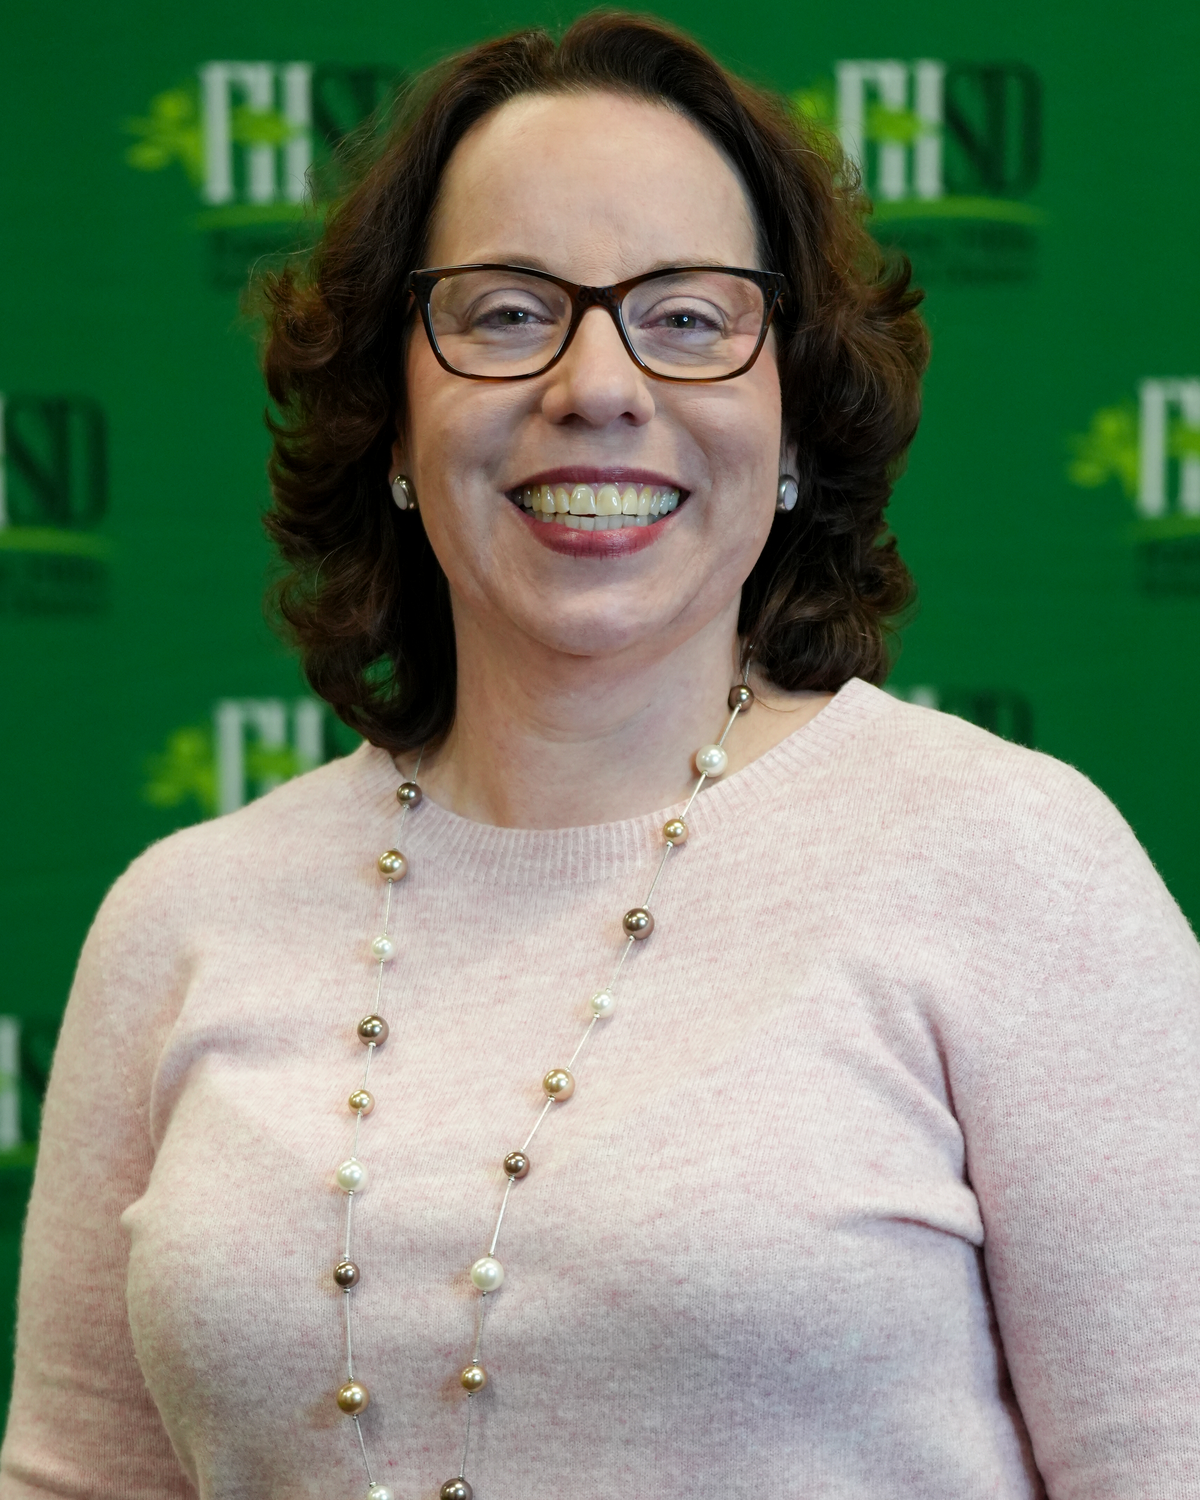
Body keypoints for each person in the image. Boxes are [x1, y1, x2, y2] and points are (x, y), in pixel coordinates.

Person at [3, 14, 1198, 1500]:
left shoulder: (1015, 861)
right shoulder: (179, 919)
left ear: (797, 423)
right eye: (507, 313)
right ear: (391, 416)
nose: (598, 383)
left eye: (690, 317)